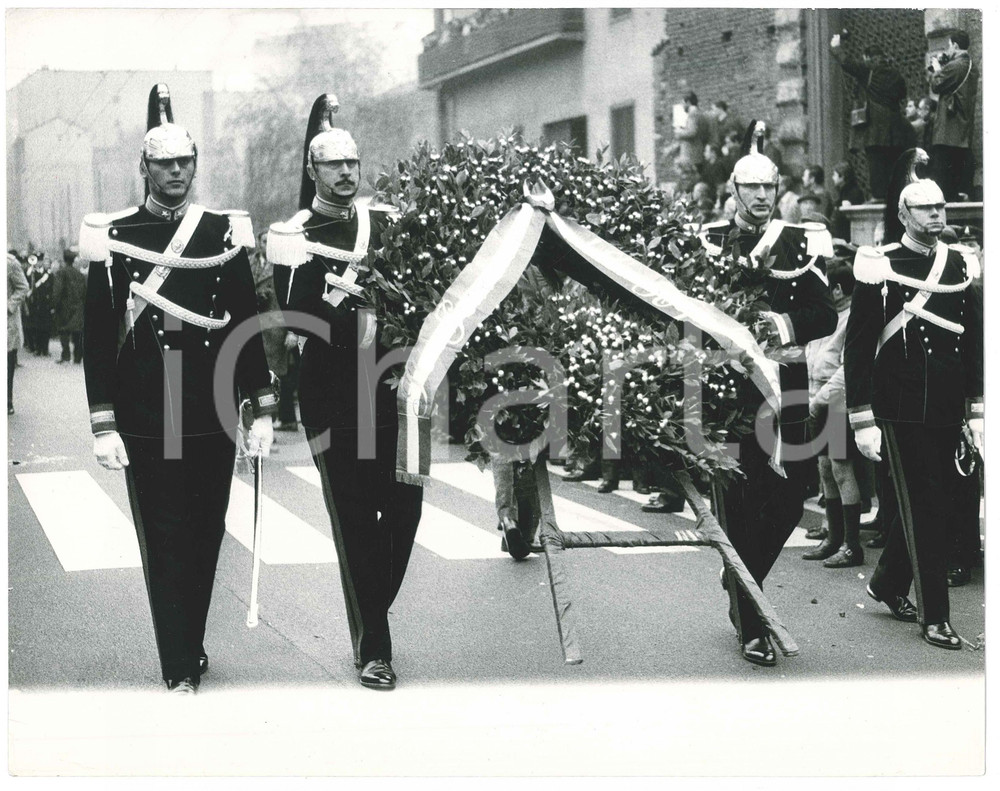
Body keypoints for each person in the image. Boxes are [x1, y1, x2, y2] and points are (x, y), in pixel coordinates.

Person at [81, 84, 276, 694]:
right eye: (163, 163)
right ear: (144, 167)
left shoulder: (221, 231)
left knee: (205, 531)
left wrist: (261, 408)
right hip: (149, 405)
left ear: (195, 164)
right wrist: (104, 422)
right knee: (163, 537)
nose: (175, 172)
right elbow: (97, 336)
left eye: (184, 162)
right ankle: (180, 663)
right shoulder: (114, 234)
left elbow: (245, 325)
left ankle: (188, 641)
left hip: (212, 403)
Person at [269, 94, 422, 691]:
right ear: (313, 171)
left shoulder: (385, 223)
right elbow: (298, 313)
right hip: (334, 395)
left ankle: (371, 607)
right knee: (356, 521)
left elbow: (417, 290)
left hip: (396, 390)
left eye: (352, 162)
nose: (346, 172)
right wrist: (360, 316)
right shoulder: (293, 235)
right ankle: (375, 648)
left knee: (405, 510)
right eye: (333, 164)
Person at [701, 121, 838, 666]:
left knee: (789, 497)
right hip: (727, 391)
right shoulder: (708, 241)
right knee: (737, 503)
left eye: (768, 186)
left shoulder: (799, 242)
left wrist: (778, 324)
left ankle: (740, 576)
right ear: (733, 189)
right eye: (751, 186)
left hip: (787, 389)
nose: (760, 195)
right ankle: (751, 623)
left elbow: (824, 314)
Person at [844, 161, 983, 650]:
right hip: (900, 405)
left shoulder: (960, 263)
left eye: (940, 207)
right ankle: (935, 616)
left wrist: (978, 407)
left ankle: (886, 583)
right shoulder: (879, 263)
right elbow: (859, 346)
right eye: (925, 208)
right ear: (904, 215)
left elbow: (974, 340)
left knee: (937, 500)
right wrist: (861, 417)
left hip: (947, 405)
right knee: (926, 507)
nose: (936, 214)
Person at [802, 262, 863, 567]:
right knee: (825, 468)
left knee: (841, 468)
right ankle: (833, 538)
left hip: (838, 401)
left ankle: (851, 544)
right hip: (818, 400)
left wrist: (819, 400)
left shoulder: (852, 319)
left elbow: (847, 369)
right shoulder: (828, 317)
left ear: (838, 289)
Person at [830, 35, 916, 201]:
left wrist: (836, 47)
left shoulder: (869, 71)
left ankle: (878, 197)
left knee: (876, 164)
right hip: (896, 129)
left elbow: (847, 63)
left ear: (868, 57)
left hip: (875, 128)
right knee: (893, 164)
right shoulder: (896, 75)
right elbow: (902, 94)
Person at [928, 29, 978, 201]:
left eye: (948, 46)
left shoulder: (957, 65)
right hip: (961, 130)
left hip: (949, 131)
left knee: (943, 178)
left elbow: (936, 84)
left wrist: (937, 69)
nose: (947, 50)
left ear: (955, 46)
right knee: (957, 175)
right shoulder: (969, 65)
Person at [51, 247, 87, 364]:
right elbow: (84, 293)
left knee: (64, 332)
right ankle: (77, 357)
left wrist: (54, 306)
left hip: (64, 308)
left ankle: (66, 356)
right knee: (77, 333)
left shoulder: (61, 273)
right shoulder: (80, 275)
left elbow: (57, 292)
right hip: (78, 308)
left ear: (64, 259)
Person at [7, 253, 30, 414]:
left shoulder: (10, 262)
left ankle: (7, 401)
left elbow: (23, 287)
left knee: (7, 365)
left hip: (7, 322)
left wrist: (9, 305)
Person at [674, 91, 711, 178]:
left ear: (688, 102)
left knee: (689, 178)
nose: (682, 106)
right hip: (698, 152)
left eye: (682, 103)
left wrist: (679, 132)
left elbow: (692, 132)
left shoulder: (693, 114)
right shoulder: (701, 114)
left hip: (691, 154)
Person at [23, 254, 53, 356]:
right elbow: (30, 281)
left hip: (46, 304)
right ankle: (38, 348)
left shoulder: (50, 275)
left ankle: (45, 349)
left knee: (46, 328)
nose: (44, 264)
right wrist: (31, 269)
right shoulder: (36, 273)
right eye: (44, 262)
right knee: (37, 327)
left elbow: (51, 289)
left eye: (47, 263)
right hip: (37, 304)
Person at [830, 161, 865, 242]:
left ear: (842, 177)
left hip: (848, 237)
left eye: (834, 175)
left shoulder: (850, 192)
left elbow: (844, 217)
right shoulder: (844, 191)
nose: (832, 178)